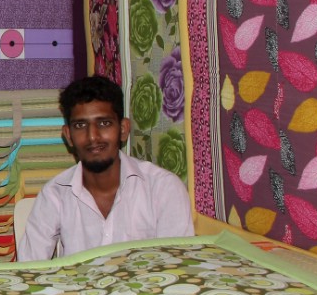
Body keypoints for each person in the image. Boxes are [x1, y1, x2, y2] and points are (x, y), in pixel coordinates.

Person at [17, 76, 194, 262]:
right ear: (68, 135)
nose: (92, 137)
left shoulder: (163, 189)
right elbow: (30, 270)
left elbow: (178, 267)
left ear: (123, 129)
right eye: (80, 125)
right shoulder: (55, 195)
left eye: (104, 123)